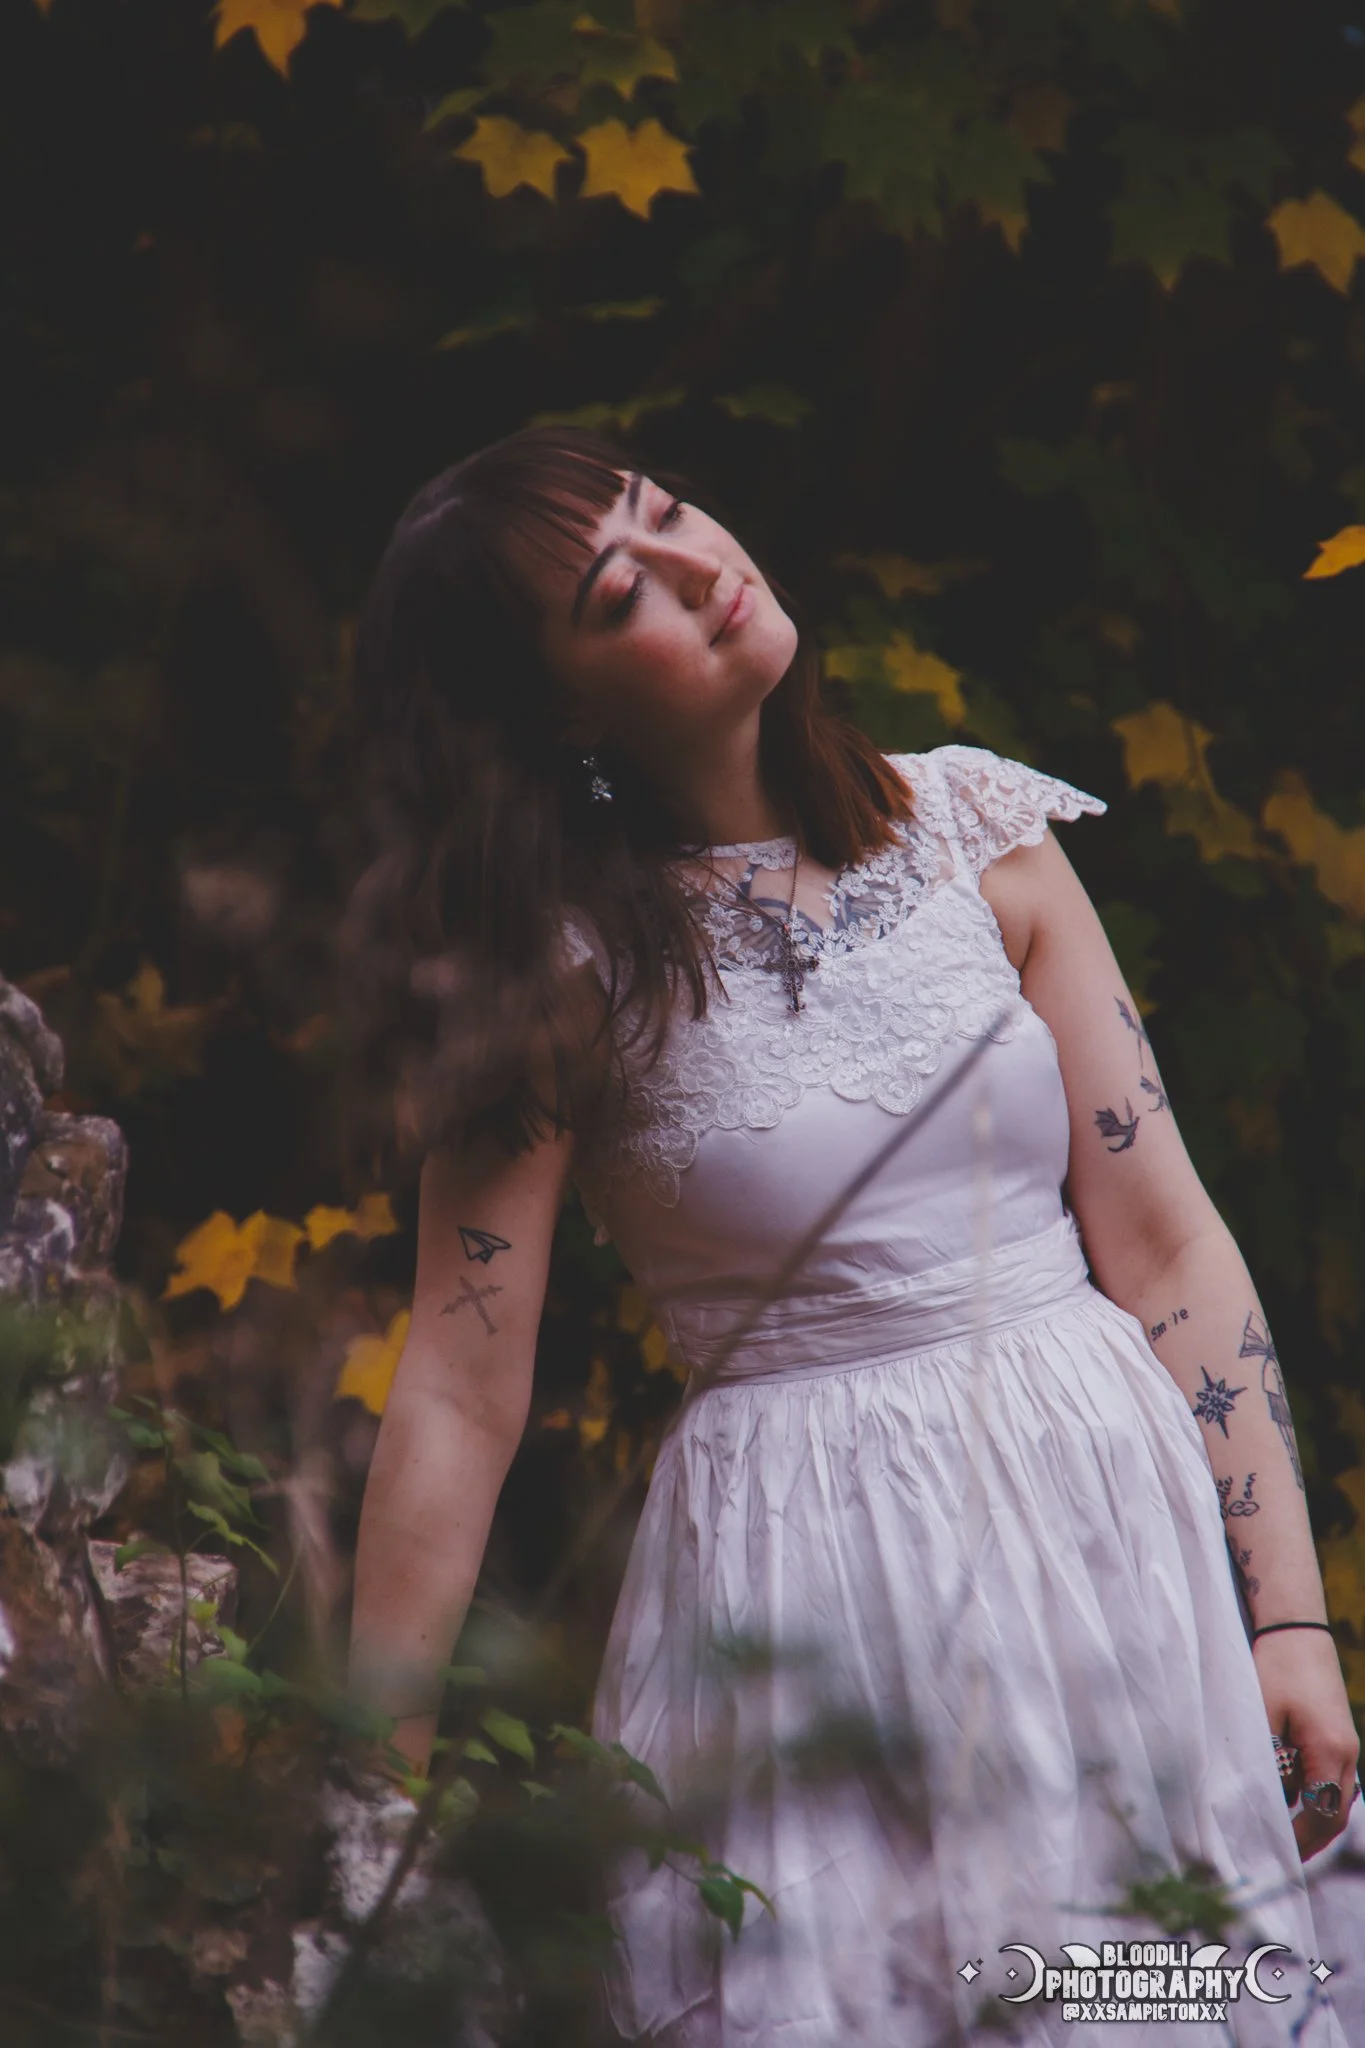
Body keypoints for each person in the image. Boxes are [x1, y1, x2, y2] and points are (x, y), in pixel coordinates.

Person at [341, 423, 1361, 2046]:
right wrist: (369, 1793)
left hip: (1107, 1540)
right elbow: (461, 1391)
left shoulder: (977, 833)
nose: (694, 561)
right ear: (554, 709)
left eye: (668, 513)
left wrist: (1290, 1618)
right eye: (623, 590)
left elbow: (1166, 1243)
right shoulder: (553, 974)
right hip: (807, 1588)